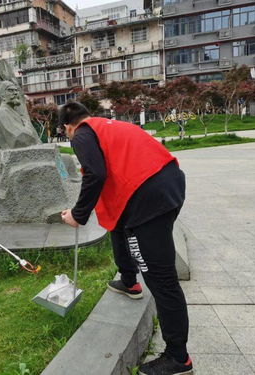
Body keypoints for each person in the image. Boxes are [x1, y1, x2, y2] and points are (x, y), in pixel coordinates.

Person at [59, 102, 191, 375]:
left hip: (149, 197)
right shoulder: (108, 126)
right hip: (167, 182)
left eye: (65, 133)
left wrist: (78, 214)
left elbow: (95, 174)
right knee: (121, 227)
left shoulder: (82, 134)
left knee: (160, 277)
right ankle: (129, 282)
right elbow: (111, 197)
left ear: (67, 127)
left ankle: (178, 358)